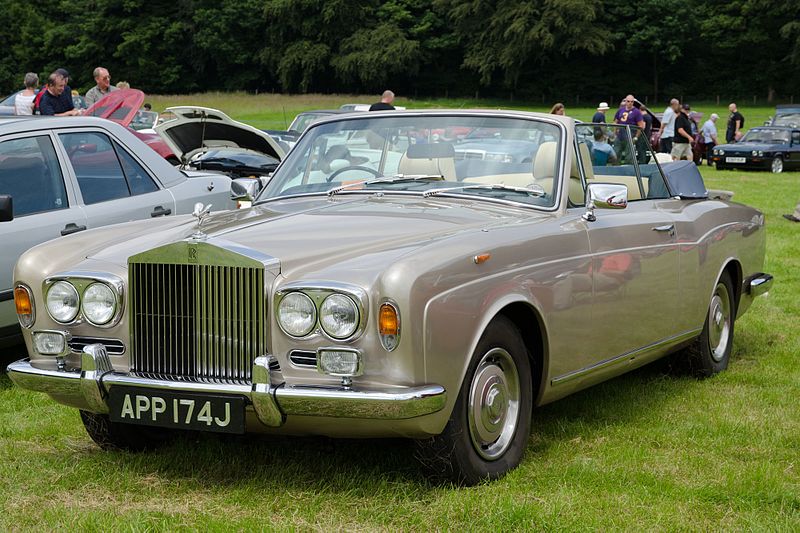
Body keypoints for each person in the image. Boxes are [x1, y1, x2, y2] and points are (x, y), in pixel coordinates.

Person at [613, 95, 645, 162]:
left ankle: (628, 168)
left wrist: (636, 137)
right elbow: (615, 121)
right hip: (620, 135)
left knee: (629, 155)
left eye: (632, 101)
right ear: (625, 102)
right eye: (628, 101)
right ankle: (615, 167)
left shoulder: (636, 112)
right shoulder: (621, 110)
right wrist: (615, 132)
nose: (630, 103)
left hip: (630, 135)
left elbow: (641, 125)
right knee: (616, 152)